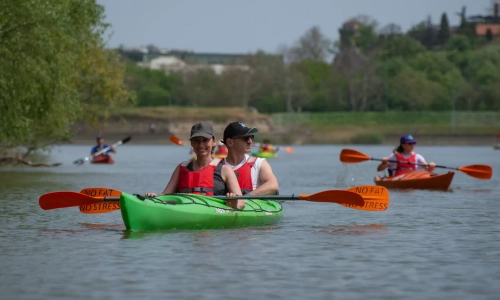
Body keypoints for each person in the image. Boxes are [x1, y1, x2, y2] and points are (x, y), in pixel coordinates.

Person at [146, 121, 245, 209]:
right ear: (191, 143)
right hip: (185, 211)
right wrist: (155, 198)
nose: (201, 144)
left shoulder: (225, 170)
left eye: (205, 140)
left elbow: (241, 203)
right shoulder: (181, 168)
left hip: (214, 213)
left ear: (214, 141)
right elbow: (164, 196)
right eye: (196, 141)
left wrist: (233, 202)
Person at [221, 122, 279, 196]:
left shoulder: (259, 163)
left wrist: (246, 197)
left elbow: (273, 186)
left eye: (251, 137)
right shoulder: (217, 166)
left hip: (251, 205)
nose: (250, 142)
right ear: (230, 142)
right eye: (245, 138)